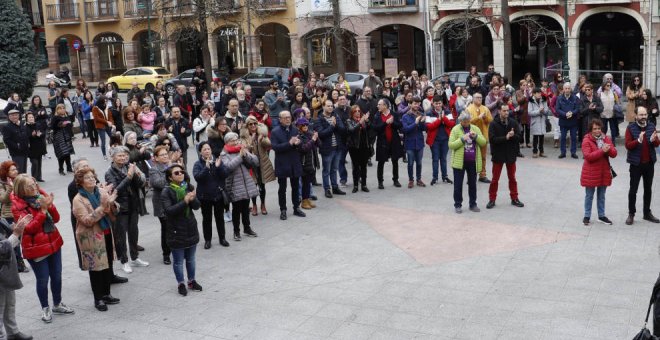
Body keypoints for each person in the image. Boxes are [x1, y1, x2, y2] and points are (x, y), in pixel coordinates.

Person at [11, 174, 75, 323]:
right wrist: (43, 211)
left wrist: (50, 206)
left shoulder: (41, 197)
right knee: (42, 279)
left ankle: (57, 304)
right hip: (36, 248)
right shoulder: (17, 206)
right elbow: (30, 229)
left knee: (57, 276)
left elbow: (57, 219)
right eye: (30, 186)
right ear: (21, 189)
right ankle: (45, 307)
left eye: (34, 184)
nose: (34, 187)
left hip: (53, 242)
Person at [71, 167, 121, 311]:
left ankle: (106, 294)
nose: (92, 179)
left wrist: (111, 203)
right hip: (90, 236)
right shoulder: (78, 199)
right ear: (80, 181)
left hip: (105, 231)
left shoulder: (100, 191)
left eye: (93, 176)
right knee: (95, 268)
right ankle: (98, 298)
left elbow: (115, 210)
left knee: (107, 264)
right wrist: (104, 206)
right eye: (88, 178)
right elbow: (86, 220)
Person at [104, 146, 149, 274]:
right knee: (121, 236)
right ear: (113, 157)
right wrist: (128, 177)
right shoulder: (109, 172)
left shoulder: (129, 166)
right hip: (120, 208)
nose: (123, 158)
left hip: (133, 204)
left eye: (124, 155)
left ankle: (135, 257)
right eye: (120, 156)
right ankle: (124, 261)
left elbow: (140, 185)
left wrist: (137, 176)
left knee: (134, 232)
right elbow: (115, 191)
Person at [160, 164, 202, 296]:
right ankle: (181, 283)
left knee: (191, 259)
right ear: (170, 178)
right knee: (178, 261)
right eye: (176, 173)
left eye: (181, 172)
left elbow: (196, 206)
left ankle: (192, 280)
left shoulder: (188, 186)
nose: (180, 174)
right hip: (176, 230)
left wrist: (193, 198)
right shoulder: (166, 191)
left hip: (190, 227)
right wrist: (184, 201)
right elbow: (169, 211)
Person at [0, 214, 34, 340]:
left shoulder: (1, 219)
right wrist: (16, 233)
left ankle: (13, 332)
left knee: (10, 303)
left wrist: (18, 229)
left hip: (5, 271)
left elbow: (11, 241)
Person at [624, 106, 660, 225]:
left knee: (648, 189)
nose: (643, 117)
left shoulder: (651, 126)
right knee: (633, 190)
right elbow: (628, 145)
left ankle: (646, 213)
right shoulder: (630, 128)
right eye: (641, 115)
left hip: (649, 163)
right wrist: (638, 141)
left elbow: (656, 144)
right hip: (636, 164)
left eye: (645, 114)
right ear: (636, 116)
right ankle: (631, 214)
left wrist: (655, 139)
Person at [221, 132, 259, 241]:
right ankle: (236, 231)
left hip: (246, 183)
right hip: (234, 184)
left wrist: (246, 154)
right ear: (227, 142)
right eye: (233, 140)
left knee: (246, 208)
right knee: (236, 209)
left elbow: (255, 162)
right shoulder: (224, 154)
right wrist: (240, 156)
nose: (236, 142)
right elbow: (229, 167)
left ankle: (247, 228)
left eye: (237, 139)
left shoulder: (241, 149)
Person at [486, 104, 524, 209]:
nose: (506, 113)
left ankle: (514, 198)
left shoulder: (513, 122)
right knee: (495, 179)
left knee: (512, 178)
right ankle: (492, 199)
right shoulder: (493, 124)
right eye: (504, 111)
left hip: (510, 155)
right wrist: (506, 137)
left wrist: (513, 136)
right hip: (498, 155)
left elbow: (520, 138)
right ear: (499, 111)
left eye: (507, 111)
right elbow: (492, 140)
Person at [192, 142, 229, 249]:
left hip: (218, 195)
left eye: (208, 149)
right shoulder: (197, 164)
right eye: (204, 149)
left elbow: (225, 174)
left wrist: (218, 167)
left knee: (220, 218)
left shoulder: (217, 161)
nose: (207, 151)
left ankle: (222, 238)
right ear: (200, 152)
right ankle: (208, 240)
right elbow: (197, 177)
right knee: (207, 219)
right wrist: (206, 167)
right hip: (205, 196)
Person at [580, 119, 617, 226]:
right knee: (589, 195)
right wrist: (602, 151)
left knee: (602, 195)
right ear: (590, 130)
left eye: (599, 128)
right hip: (591, 172)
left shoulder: (606, 138)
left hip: (603, 171)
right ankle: (587, 216)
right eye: (595, 129)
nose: (597, 131)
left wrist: (608, 149)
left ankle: (601, 215)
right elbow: (588, 157)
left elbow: (614, 153)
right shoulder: (586, 140)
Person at [449, 112, 487, 213]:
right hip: (459, 163)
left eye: (468, 121)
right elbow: (451, 145)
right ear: (460, 121)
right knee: (458, 185)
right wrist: (462, 139)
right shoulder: (455, 129)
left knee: (472, 184)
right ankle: (457, 205)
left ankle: (473, 204)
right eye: (464, 122)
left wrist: (476, 137)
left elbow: (483, 142)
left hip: (472, 162)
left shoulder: (475, 128)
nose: (466, 123)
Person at [271, 111, 306, 220]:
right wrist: (289, 144)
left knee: (295, 187)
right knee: (282, 188)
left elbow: (300, 146)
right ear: (280, 119)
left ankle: (296, 207)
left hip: (294, 162)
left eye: (289, 117)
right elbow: (275, 147)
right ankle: (283, 210)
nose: (287, 119)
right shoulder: (275, 131)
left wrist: (299, 143)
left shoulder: (295, 129)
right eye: (285, 118)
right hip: (282, 163)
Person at [240, 116, 275, 216]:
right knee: (253, 186)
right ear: (247, 126)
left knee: (262, 185)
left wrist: (262, 139)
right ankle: (254, 205)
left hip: (262, 164)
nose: (253, 126)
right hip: (251, 165)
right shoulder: (244, 136)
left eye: (255, 123)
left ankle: (263, 204)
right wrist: (252, 140)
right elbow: (244, 149)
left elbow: (269, 145)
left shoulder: (262, 133)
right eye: (250, 124)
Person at [0, 162, 28, 273]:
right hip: (9, 215)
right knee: (14, 239)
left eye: (16, 169)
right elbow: (3, 199)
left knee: (22, 238)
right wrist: (10, 188)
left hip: (20, 212)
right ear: (6, 172)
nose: (15, 171)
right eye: (12, 170)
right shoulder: (2, 184)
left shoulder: (20, 180)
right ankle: (19, 263)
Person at [315, 99, 346, 198]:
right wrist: (332, 126)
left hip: (337, 147)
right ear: (323, 106)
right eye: (328, 106)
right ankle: (327, 189)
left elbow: (342, 129)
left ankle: (335, 187)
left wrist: (335, 124)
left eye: (331, 106)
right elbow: (322, 134)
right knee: (326, 170)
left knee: (334, 169)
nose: (330, 108)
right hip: (327, 149)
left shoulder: (335, 116)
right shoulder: (319, 119)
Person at [373, 99, 403, 189]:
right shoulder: (377, 115)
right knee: (381, 162)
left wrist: (393, 122)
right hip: (382, 142)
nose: (377, 106)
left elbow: (399, 125)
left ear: (385, 106)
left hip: (394, 141)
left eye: (379, 104)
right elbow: (375, 128)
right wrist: (385, 123)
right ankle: (380, 182)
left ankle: (396, 180)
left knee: (395, 161)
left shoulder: (394, 114)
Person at [426, 95, 455, 185]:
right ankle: (435, 177)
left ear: (442, 103)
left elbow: (452, 124)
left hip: (445, 139)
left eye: (439, 103)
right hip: (434, 140)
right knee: (435, 159)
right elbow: (429, 126)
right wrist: (439, 120)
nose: (438, 105)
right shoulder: (429, 113)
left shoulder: (447, 111)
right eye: (436, 103)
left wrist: (444, 118)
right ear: (433, 104)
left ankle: (445, 176)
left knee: (443, 159)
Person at [465, 93, 492, 182]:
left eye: (481, 97)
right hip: (471, 136)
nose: (479, 99)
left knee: (483, 157)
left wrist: (484, 118)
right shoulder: (468, 109)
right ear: (473, 99)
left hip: (483, 136)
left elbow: (490, 121)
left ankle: (482, 175)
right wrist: (478, 118)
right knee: (471, 157)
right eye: (477, 97)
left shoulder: (485, 109)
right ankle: (471, 176)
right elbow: (467, 122)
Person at [401, 97, 427, 188]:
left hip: (419, 142)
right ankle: (411, 180)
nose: (417, 105)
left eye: (418, 103)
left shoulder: (421, 114)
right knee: (410, 163)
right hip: (409, 143)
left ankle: (419, 179)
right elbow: (405, 130)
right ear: (410, 104)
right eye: (415, 103)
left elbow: (424, 129)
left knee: (419, 163)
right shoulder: (405, 116)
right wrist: (415, 123)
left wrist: (423, 123)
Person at [345, 105, 371, 193]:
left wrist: (367, 121)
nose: (357, 112)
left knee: (364, 166)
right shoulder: (349, 121)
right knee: (356, 167)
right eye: (355, 111)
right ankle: (355, 185)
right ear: (352, 113)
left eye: (359, 111)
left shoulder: (363, 121)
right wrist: (360, 122)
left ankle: (364, 184)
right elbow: (352, 130)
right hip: (354, 147)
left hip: (364, 146)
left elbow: (370, 128)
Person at [297, 118, 319, 210]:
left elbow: (319, 144)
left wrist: (316, 137)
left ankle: (306, 199)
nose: (305, 126)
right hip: (303, 163)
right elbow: (304, 148)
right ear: (299, 126)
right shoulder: (298, 136)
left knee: (307, 183)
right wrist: (313, 140)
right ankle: (303, 201)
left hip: (311, 163)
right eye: (303, 125)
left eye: (306, 125)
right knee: (304, 183)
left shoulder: (309, 134)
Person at [556, 82, 581, 159]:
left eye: (568, 88)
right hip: (563, 121)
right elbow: (557, 109)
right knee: (563, 137)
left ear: (571, 89)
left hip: (573, 121)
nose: (567, 90)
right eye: (565, 88)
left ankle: (573, 152)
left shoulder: (575, 98)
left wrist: (572, 113)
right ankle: (563, 153)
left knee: (573, 137)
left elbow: (577, 108)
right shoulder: (559, 98)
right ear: (563, 89)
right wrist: (565, 114)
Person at [50, 104, 75, 175]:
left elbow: (70, 125)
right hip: (59, 138)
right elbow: (52, 127)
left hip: (67, 137)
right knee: (61, 154)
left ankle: (69, 168)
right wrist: (60, 125)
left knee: (68, 153)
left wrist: (68, 124)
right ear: (57, 110)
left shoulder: (67, 117)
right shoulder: (55, 117)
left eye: (63, 108)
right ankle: (61, 169)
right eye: (60, 108)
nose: (62, 109)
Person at [527, 88, 549, 158]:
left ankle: (541, 152)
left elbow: (547, 110)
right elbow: (529, 112)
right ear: (534, 94)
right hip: (535, 122)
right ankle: (535, 152)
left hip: (542, 122)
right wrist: (538, 111)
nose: (539, 94)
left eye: (540, 93)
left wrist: (543, 111)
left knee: (542, 138)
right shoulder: (531, 101)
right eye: (537, 93)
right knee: (535, 138)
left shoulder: (544, 100)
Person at [25, 112, 47, 182]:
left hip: (39, 146)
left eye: (32, 117)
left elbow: (43, 133)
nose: (31, 118)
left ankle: (39, 177)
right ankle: (33, 178)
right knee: (34, 163)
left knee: (39, 163)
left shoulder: (38, 124)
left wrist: (40, 134)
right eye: (29, 117)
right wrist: (32, 135)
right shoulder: (25, 127)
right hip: (31, 148)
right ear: (26, 119)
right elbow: (25, 136)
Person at [92, 97, 115, 161]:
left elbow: (110, 116)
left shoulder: (106, 107)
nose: (106, 102)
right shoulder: (95, 108)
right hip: (100, 126)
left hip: (107, 125)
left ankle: (113, 152)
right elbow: (96, 118)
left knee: (113, 138)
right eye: (104, 101)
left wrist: (111, 123)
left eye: (106, 101)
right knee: (103, 141)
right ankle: (104, 155)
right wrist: (106, 122)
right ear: (101, 101)